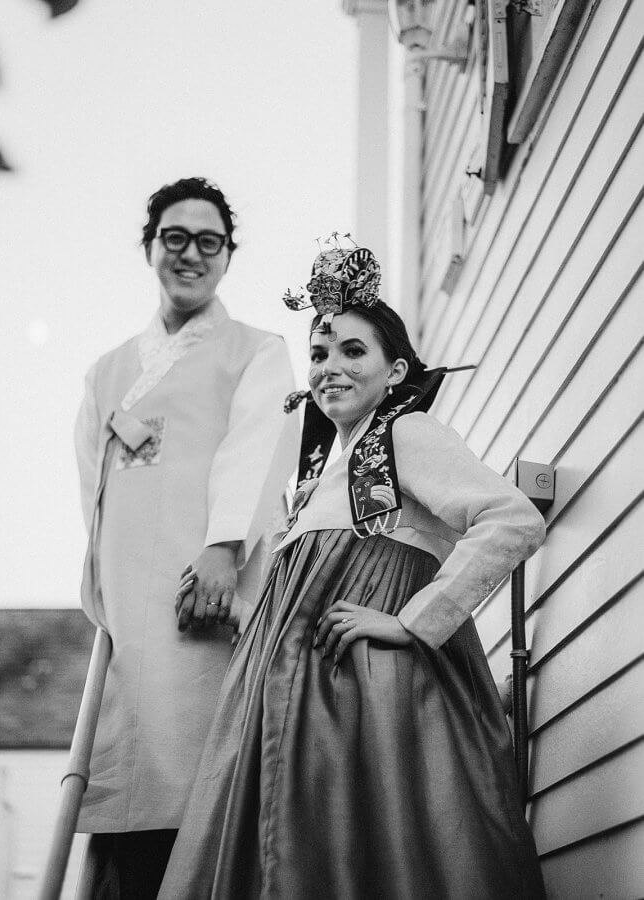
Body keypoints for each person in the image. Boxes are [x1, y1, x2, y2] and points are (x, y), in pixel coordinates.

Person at [159, 242, 548, 899]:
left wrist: (411, 621)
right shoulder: (324, 478)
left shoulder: (401, 436)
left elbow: (513, 520)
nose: (330, 368)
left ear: (395, 370)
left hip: (373, 709)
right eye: (318, 354)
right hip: (295, 715)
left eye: (352, 351)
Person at [74, 177, 299, 896]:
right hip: (128, 605)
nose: (191, 254)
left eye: (210, 242)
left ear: (228, 256)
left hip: (206, 591)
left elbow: (258, 450)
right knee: (128, 766)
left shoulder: (255, 351)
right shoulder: (108, 371)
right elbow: (93, 485)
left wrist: (224, 547)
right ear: (151, 248)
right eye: (176, 238)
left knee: (203, 764)